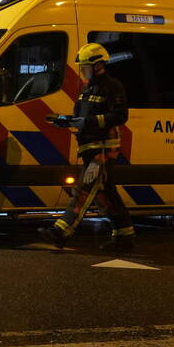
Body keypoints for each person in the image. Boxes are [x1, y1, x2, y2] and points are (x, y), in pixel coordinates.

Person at [38, 43, 135, 251]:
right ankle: (125, 236)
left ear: (98, 66)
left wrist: (87, 123)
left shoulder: (112, 87)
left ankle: (61, 232)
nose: (83, 71)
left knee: (83, 189)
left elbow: (120, 115)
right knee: (106, 195)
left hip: (103, 150)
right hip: (90, 148)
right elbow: (83, 118)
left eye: (85, 67)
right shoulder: (86, 90)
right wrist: (66, 121)